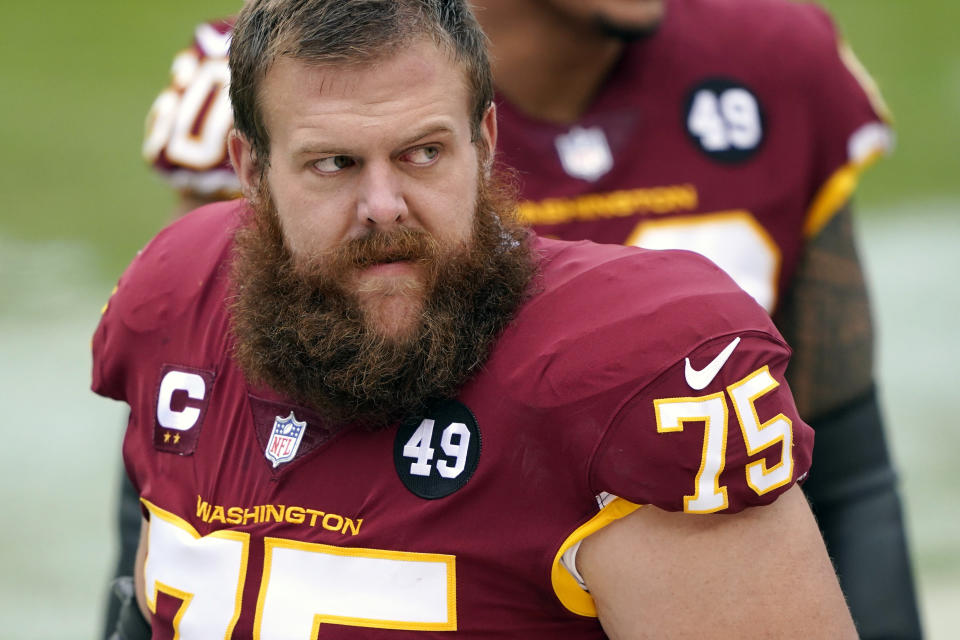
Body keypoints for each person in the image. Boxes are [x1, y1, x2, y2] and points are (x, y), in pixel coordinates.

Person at [103, 0, 921, 637]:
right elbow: (172, 523)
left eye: (424, 152)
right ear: (252, 171)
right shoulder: (181, 282)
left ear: (483, 141)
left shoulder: (668, 365)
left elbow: (850, 468)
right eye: (334, 164)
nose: (382, 205)